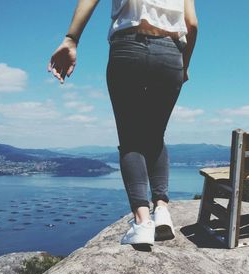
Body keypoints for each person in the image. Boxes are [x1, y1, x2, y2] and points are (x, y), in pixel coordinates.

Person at [47, 0, 198, 246]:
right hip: (171, 53)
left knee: (131, 139)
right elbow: (191, 24)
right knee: (155, 135)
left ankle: (142, 222)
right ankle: (161, 211)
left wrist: (71, 38)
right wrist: (185, 64)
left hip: (128, 48)